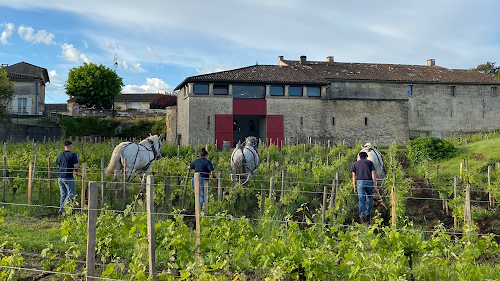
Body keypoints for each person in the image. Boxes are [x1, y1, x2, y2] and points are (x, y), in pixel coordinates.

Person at [352, 151, 379, 223]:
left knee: (361, 199)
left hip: (360, 183)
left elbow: (354, 177)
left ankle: (361, 215)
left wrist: (354, 186)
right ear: (366, 157)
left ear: (359, 157)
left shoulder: (355, 164)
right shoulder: (370, 163)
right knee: (369, 198)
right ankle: (367, 214)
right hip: (369, 182)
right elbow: (373, 174)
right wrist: (375, 185)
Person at [56, 140, 80, 213]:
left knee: (63, 194)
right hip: (68, 177)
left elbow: (58, 165)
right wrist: (77, 172)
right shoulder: (73, 155)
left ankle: (62, 208)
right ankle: (63, 208)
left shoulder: (59, 155)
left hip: (60, 177)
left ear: (64, 147)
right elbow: (75, 166)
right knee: (71, 193)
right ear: (71, 147)